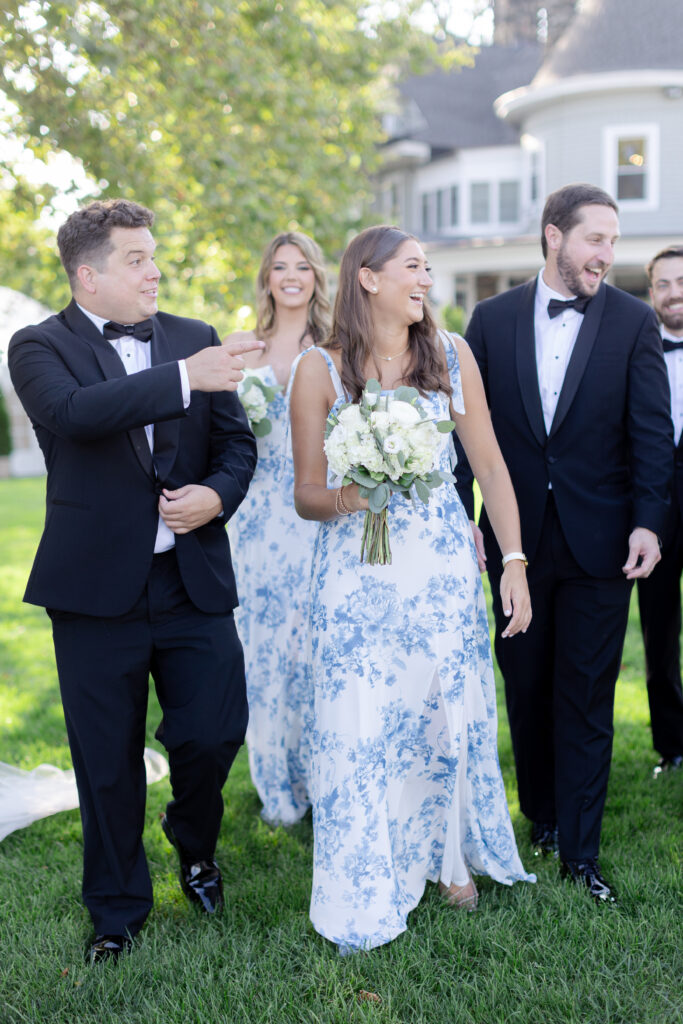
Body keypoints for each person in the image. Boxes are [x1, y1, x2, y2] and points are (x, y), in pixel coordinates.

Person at [8, 198, 262, 963]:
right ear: (88, 276)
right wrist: (184, 377)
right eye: (136, 259)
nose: (155, 271)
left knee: (213, 732)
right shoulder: (37, 346)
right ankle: (116, 910)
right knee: (105, 757)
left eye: (154, 256)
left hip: (192, 582)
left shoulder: (193, 339)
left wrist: (218, 494)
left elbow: (236, 446)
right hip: (93, 591)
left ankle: (192, 842)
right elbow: (77, 414)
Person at [289, 224, 535, 954]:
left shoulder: (452, 355)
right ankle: (371, 871)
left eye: (428, 268)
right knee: (363, 719)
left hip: (438, 573)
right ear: (367, 278)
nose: (426, 279)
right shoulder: (318, 369)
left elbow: (488, 467)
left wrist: (514, 561)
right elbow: (306, 493)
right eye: (412, 267)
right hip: (354, 577)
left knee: (443, 709)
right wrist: (353, 498)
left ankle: (449, 854)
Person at [455, 183, 673, 904]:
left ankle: (580, 851)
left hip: (601, 542)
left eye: (612, 241)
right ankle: (541, 815)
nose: (606, 254)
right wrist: (464, 522)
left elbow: (650, 434)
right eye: (594, 239)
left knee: (585, 693)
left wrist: (649, 521)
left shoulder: (633, 322)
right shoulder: (487, 321)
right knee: (525, 683)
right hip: (513, 539)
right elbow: (464, 438)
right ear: (552, 237)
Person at [225, 231, 331, 824]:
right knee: (265, 655)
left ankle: (325, 774)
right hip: (260, 523)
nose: (291, 276)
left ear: (316, 276)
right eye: (280, 267)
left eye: (302, 267)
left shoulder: (339, 346)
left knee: (316, 651)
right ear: (267, 277)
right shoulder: (244, 350)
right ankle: (277, 786)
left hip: (318, 518)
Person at [636, 246, 683, 777]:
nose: (675, 293)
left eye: (682, 280)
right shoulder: (635, 343)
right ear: (652, 293)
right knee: (658, 628)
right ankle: (672, 746)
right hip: (653, 506)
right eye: (664, 284)